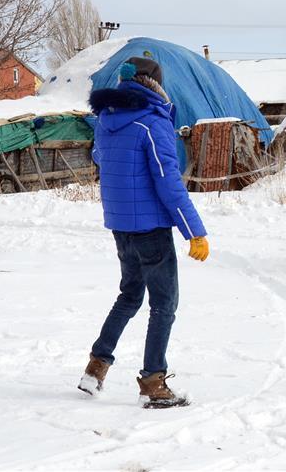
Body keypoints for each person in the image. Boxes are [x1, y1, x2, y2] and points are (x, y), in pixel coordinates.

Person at [78, 56, 210, 409]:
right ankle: (154, 382)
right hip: (150, 228)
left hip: (121, 225)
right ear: (155, 84)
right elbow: (169, 182)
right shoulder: (152, 123)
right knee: (164, 303)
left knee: (130, 295)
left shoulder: (106, 121)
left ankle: (96, 368)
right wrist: (194, 231)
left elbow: (102, 161)